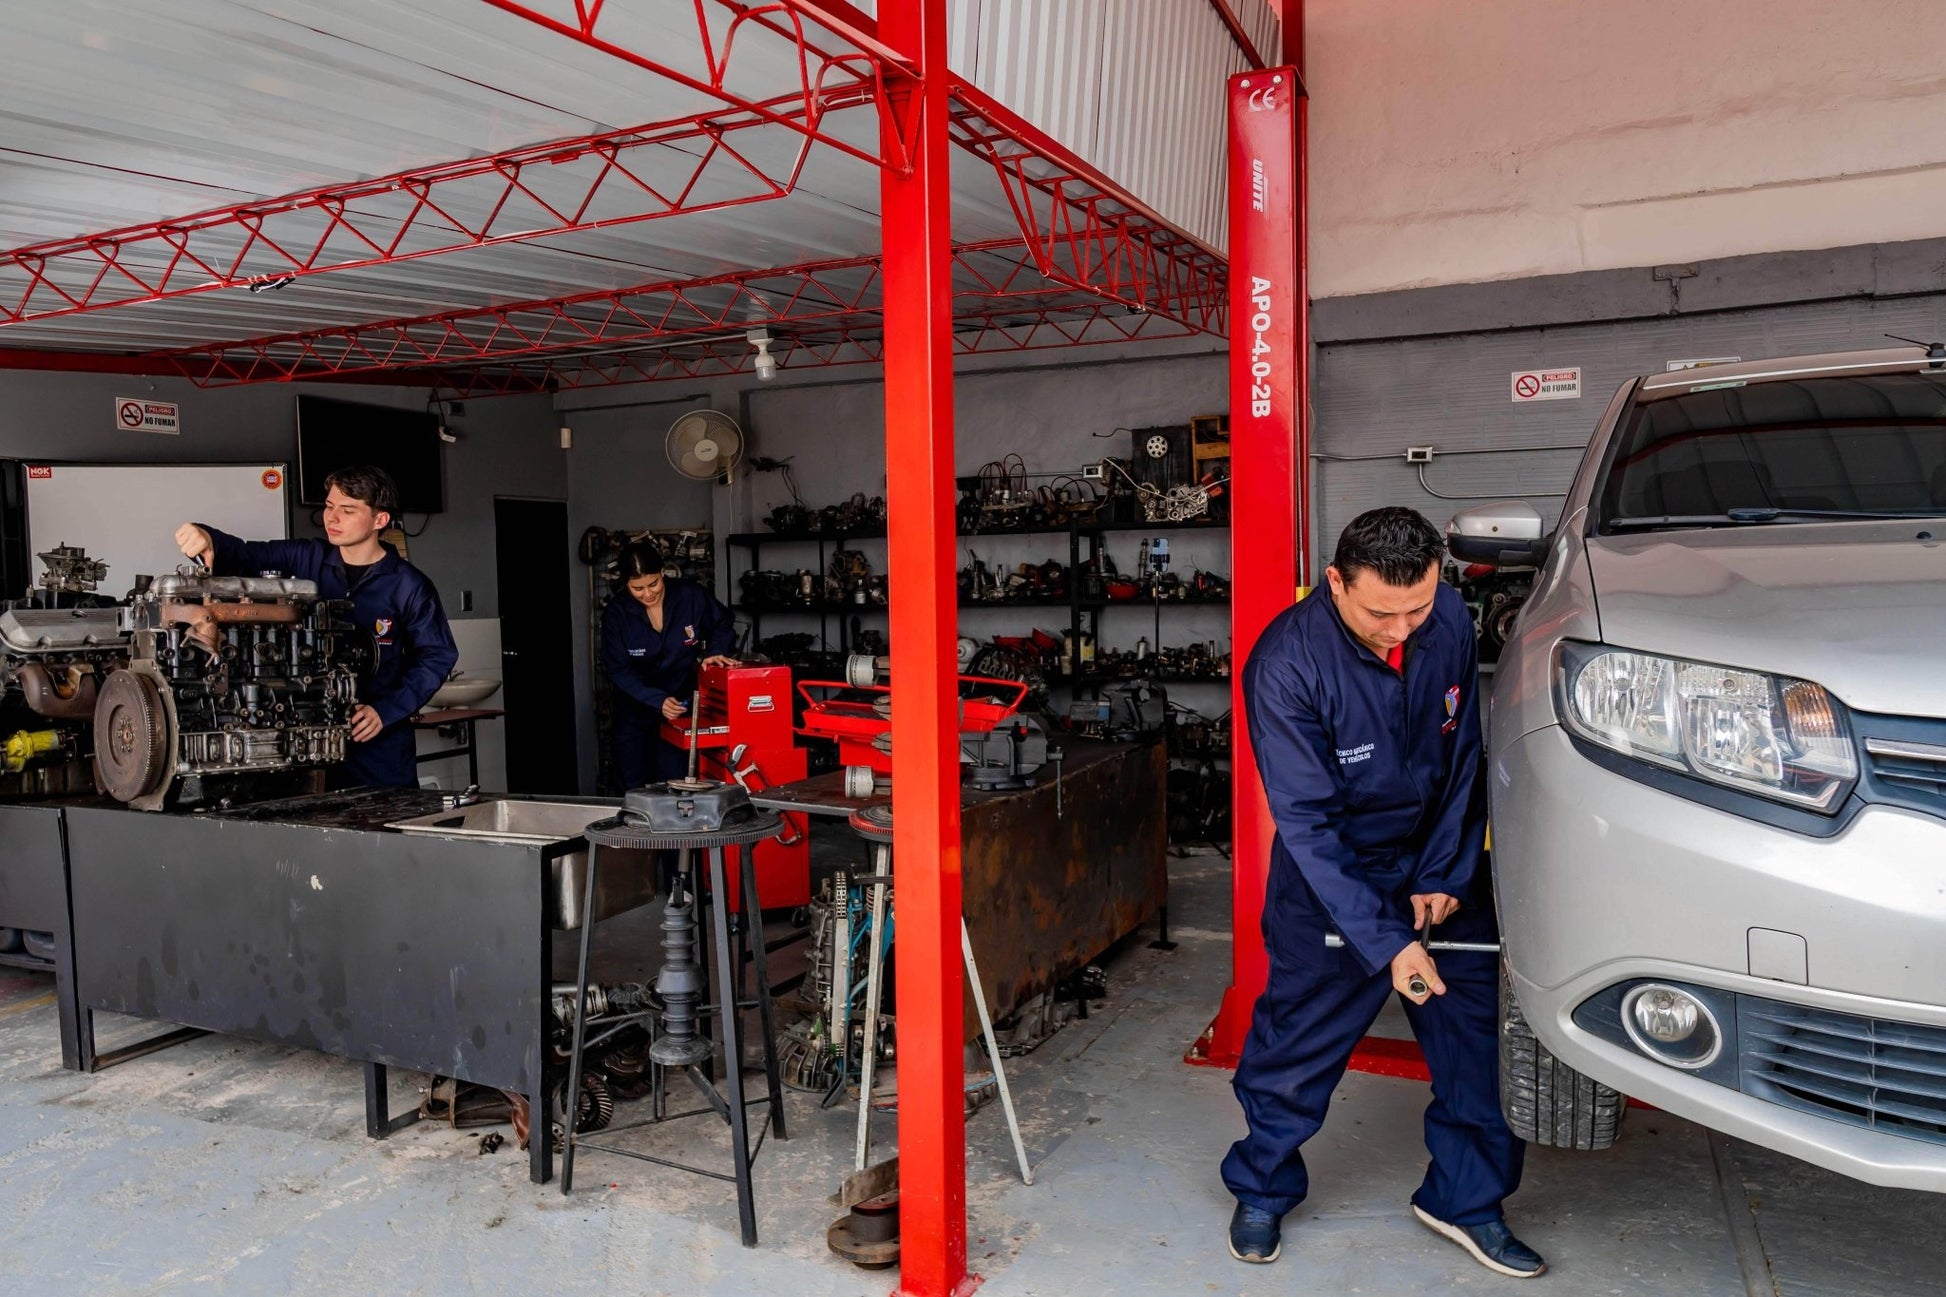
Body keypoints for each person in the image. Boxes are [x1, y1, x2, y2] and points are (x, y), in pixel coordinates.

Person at [1222, 507, 1540, 1278]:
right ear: (1335, 582)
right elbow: (1309, 823)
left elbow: (1463, 754)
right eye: (1379, 613)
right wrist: (1390, 941)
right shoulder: (1286, 665)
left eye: (1416, 608)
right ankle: (1263, 1184)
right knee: (1296, 1047)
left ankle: (1464, 1198)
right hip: (1335, 879)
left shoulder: (1449, 621)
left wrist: (1445, 871)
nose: (1401, 629)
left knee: (1479, 1043)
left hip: (1438, 868)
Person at [174, 464, 457, 790]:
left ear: (379, 520)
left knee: (386, 820)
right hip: (303, 743)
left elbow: (437, 655)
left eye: (347, 510)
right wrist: (208, 538)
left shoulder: (409, 586)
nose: (331, 518)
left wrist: (385, 711)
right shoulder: (305, 558)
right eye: (329, 506)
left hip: (376, 747)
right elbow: (247, 554)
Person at [600, 541, 737, 789]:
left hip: (681, 706)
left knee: (677, 782)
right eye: (637, 588)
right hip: (635, 710)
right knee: (634, 785)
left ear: (663, 571)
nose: (647, 594)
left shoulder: (690, 596)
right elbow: (617, 668)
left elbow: (723, 623)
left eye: (653, 584)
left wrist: (715, 652)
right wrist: (657, 700)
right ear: (626, 584)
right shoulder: (616, 613)